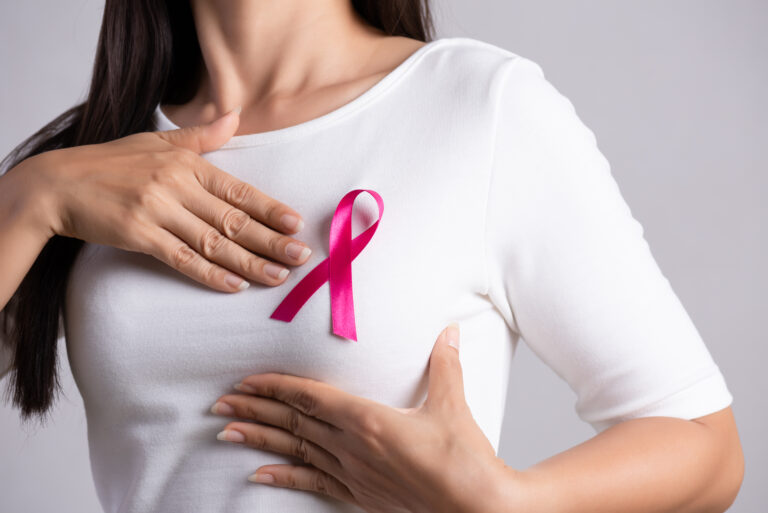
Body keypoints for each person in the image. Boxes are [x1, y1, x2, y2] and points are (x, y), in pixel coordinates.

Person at [0, 1, 744, 512]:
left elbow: (706, 446)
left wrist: (510, 502)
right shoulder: (88, 165)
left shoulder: (475, 108)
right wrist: (31, 199)